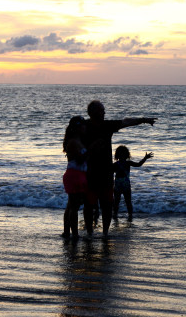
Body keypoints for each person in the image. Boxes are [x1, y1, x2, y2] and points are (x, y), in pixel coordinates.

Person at [81, 100, 156, 238]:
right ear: (94, 112)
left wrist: (144, 120)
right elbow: (73, 144)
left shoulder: (107, 125)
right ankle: (90, 233)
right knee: (89, 204)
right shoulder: (84, 127)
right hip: (90, 173)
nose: (104, 112)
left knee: (107, 204)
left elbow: (126, 122)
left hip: (107, 173)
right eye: (102, 110)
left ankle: (105, 233)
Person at [61, 116, 87, 238]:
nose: (85, 127)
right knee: (74, 207)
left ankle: (67, 232)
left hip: (77, 174)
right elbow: (80, 160)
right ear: (77, 128)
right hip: (74, 175)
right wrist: (92, 150)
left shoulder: (78, 141)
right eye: (83, 125)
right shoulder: (73, 142)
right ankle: (74, 234)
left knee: (71, 205)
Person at [113, 146, 153, 222]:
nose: (122, 156)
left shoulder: (126, 163)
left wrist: (145, 158)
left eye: (123, 154)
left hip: (123, 186)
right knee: (117, 202)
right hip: (120, 186)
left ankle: (128, 216)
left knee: (126, 202)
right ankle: (117, 216)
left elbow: (138, 164)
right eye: (121, 154)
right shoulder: (117, 164)